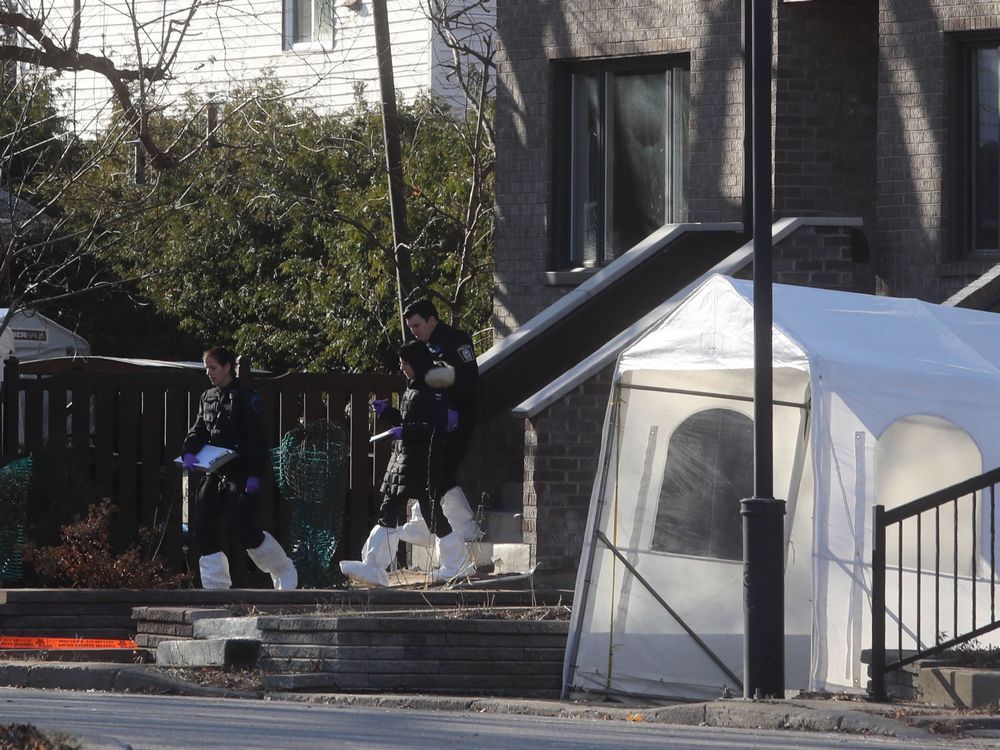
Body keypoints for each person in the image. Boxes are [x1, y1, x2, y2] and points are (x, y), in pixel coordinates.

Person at [339, 340, 476, 586]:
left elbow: (434, 427)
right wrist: (388, 414)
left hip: (420, 462)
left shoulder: (431, 390)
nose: (401, 367)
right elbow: (410, 419)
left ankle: (456, 563)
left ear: (416, 363)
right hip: (406, 460)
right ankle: (375, 566)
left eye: (404, 363)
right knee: (394, 509)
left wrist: (405, 432)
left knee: (428, 512)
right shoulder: (414, 388)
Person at [181, 346, 298, 590]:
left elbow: (257, 439)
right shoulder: (208, 397)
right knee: (202, 527)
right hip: (216, 470)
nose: (209, 373)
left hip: (241, 471)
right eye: (206, 369)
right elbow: (199, 429)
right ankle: (216, 586)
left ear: (227, 368)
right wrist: (189, 451)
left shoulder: (246, 397)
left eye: (213, 368)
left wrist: (255, 474)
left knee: (242, 528)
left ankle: (281, 568)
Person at [401, 298, 481, 550]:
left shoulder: (455, 340)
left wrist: (450, 405)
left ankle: (464, 527)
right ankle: (449, 525)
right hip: (436, 418)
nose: (413, 331)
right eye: (410, 327)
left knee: (441, 472)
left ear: (432, 320)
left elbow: (467, 378)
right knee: (435, 472)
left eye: (416, 325)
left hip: (456, 417)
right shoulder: (423, 346)